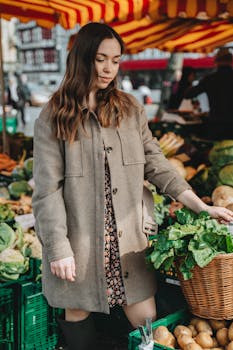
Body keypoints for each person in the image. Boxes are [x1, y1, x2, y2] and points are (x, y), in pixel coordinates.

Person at [32, 23, 233, 350]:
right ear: (82, 59)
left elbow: (156, 163)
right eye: (101, 59)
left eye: (115, 59)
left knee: (146, 319)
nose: (109, 68)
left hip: (127, 241)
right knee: (78, 309)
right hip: (79, 242)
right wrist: (57, 247)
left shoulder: (129, 108)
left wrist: (201, 205)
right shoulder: (55, 116)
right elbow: (47, 190)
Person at [184, 47, 233, 139]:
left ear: (216, 62)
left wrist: (188, 81)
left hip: (216, 124)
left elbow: (188, 94)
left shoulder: (210, 79)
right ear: (231, 61)